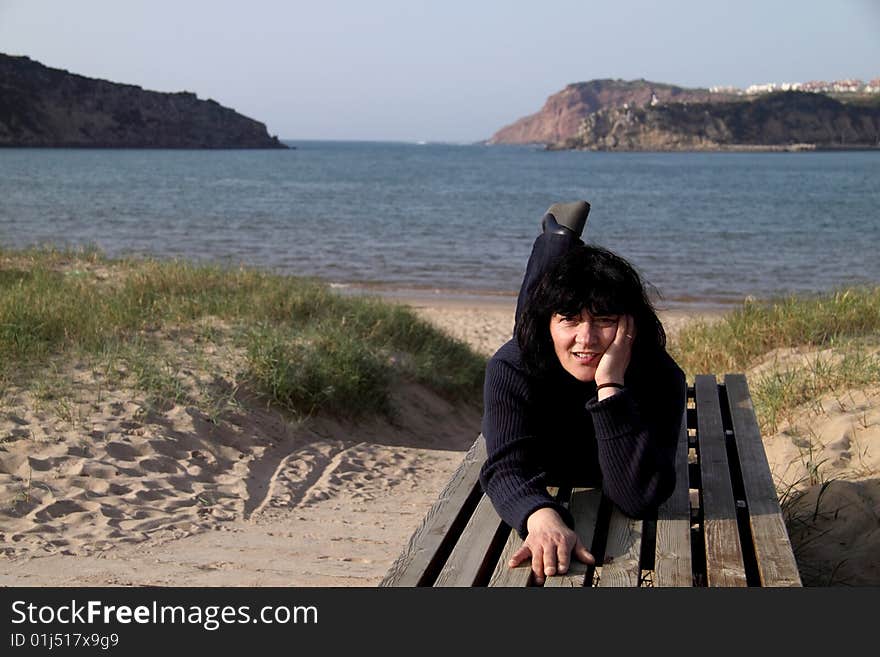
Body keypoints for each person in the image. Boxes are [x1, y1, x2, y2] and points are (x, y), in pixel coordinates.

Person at [479, 200, 685, 585]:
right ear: (550, 325)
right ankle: (555, 241)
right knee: (536, 308)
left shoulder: (659, 373)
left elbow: (638, 498)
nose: (587, 339)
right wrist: (541, 516)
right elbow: (505, 467)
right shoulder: (511, 366)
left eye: (606, 320)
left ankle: (557, 241)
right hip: (539, 355)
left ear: (630, 326)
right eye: (569, 320)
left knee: (559, 307)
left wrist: (610, 386)